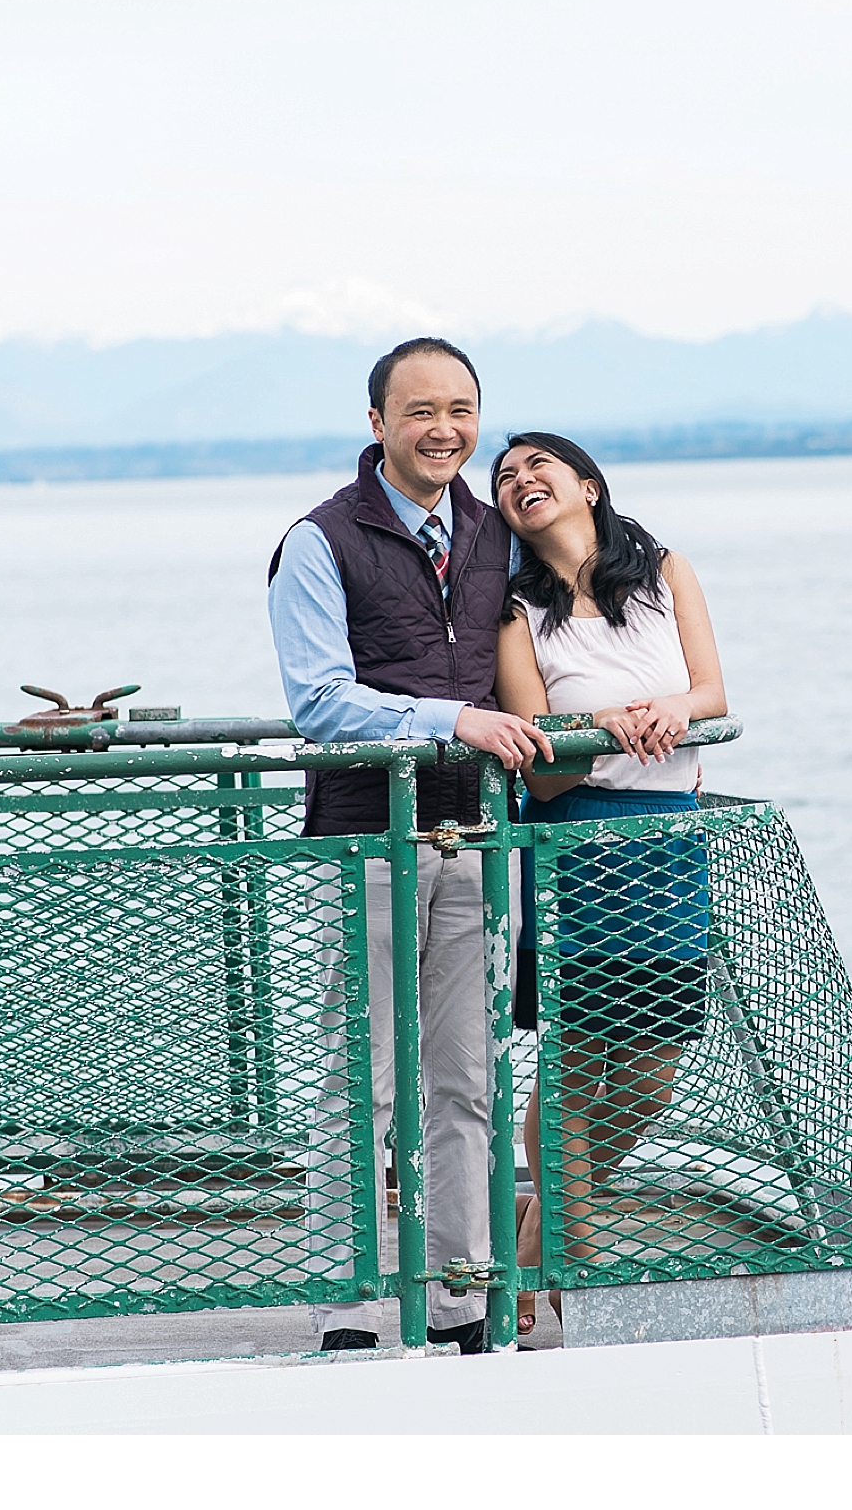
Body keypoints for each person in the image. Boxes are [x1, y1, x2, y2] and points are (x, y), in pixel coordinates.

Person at [266, 337, 554, 1356]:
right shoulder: (319, 540)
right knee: (362, 1078)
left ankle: (460, 1294)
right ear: (378, 423)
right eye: (420, 410)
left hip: (475, 834)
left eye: (462, 410)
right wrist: (453, 720)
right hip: (363, 840)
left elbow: (567, 613)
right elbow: (318, 703)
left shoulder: (490, 532)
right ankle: (346, 1303)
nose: (445, 429)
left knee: (466, 1076)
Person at [487, 431, 728, 1336]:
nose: (520, 480)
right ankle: (575, 1266)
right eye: (506, 477)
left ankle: (539, 1224)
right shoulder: (515, 607)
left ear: (587, 483)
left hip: (669, 844)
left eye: (537, 465)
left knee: (654, 1067)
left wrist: (669, 708)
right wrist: (599, 726)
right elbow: (538, 748)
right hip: (573, 850)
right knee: (578, 1060)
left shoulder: (664, 571)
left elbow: (711, 690)